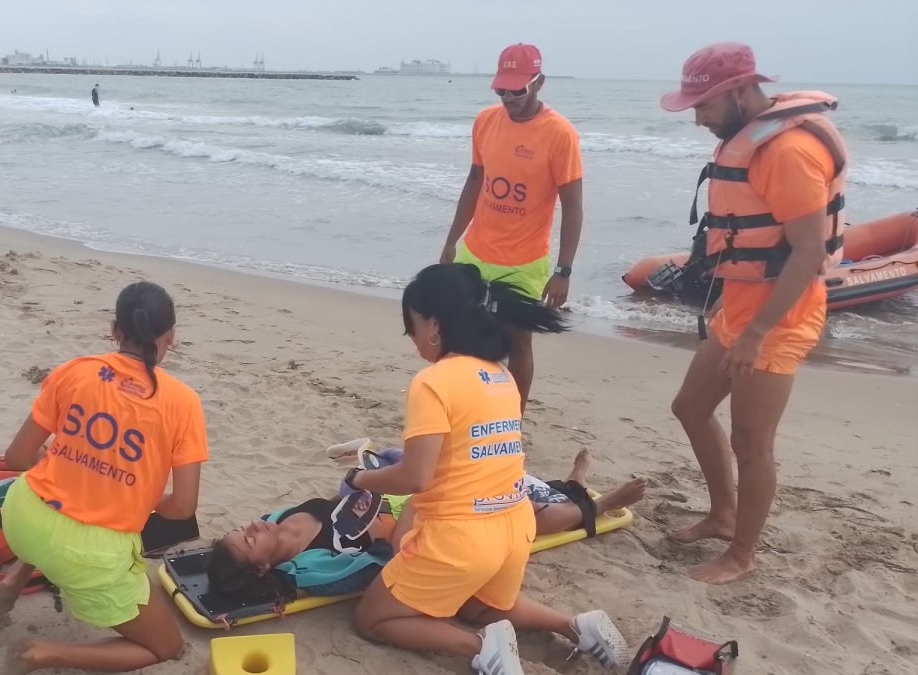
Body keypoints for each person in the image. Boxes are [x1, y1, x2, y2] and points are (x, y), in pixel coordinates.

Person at [344, 264, 625, 673]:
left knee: (373, 619)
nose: (413, 340)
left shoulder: (433, 381)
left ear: (435, 324)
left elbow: (415, 477)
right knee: (476, 605)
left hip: (461, 538)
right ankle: (574, 626)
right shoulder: (501, 376)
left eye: (413, 327)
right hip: (513, 530)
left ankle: (480, 648)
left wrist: (361, 478)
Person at [661, 42, 849, 584]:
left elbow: (809, 252)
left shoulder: (788, 153)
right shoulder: (747, 141)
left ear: (742, 90)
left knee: (751, 441)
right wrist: (730, 301)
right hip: (742, 308)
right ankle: (723, 516)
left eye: (704, 106)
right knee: (690, 407)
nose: (698, 118)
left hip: (779, 320)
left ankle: (742, 555)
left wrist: (758, 333)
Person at [0, 281, 207, 673]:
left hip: (22, 517)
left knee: (57, 506)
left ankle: (10, 584)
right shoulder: (182, 402)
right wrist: (135, 493)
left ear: (115, 329)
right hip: (88, 554)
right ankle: (40, 654)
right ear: (170, 337)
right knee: (166, 648)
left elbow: (18, 457)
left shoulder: (76, 371)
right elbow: (182, 508)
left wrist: (74, 466)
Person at [209, 447, 646, 587]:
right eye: (249, 540)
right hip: (417, 529)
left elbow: (345, 507)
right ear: (265, 566)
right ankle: (599, 505)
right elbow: (385, 559)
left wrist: (371, 480)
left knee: (408, 457)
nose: (252, 527)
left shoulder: (279, 518)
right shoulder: (309, 566)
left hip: (390, 503)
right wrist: (418, 496)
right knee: (515, 511)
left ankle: (570, 483)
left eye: (241, 527)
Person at [440, 44, 584, 414]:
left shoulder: (559, 134)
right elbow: (474, 183)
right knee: (462, 336)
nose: (508, 98)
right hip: (475, 251)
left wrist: (563, 271)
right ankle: (469, 406)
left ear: (539, 83)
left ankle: (512, 419)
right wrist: (450, 244)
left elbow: (573, 206)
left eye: (517, 90)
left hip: (524, 260)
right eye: (501, 89)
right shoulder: (485, 121)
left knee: (518, 341)